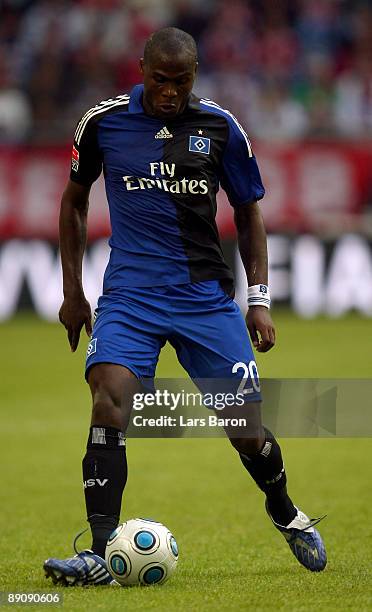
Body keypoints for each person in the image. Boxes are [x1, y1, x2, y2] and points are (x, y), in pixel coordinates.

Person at [44, 27, 326, 586]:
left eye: (182, 82)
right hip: (130, 296)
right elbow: (74, 203)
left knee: (246, 430)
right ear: (141, 70)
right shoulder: (102, 123)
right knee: (108, 399)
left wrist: (259, 299)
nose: (170, 93)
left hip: (204, 299)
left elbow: (249, 213)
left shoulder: (221, 128)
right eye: (160, 80)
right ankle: (100, 551)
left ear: (194, 77)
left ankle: (284, 510)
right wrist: (73, 291)